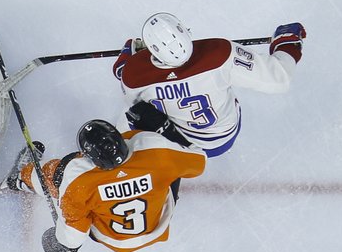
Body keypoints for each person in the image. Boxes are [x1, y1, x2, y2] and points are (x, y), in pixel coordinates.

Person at [3, 116, 205, 252]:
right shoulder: (154, 149)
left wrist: (61, 244)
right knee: (169, 162)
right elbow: (200, 160)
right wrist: (165, 127)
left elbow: (73, 237)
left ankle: (18, 178)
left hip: (111, 238)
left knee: (56, 174)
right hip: (158, 224)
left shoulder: (78, 178)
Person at [112, 12, 307, 157]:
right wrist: (286, 43)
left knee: (131, 112)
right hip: (222, 139)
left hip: (173, 144)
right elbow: (278, 79)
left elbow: (134, 93)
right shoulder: (218, 54)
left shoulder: (134, 75)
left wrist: (128, 64)